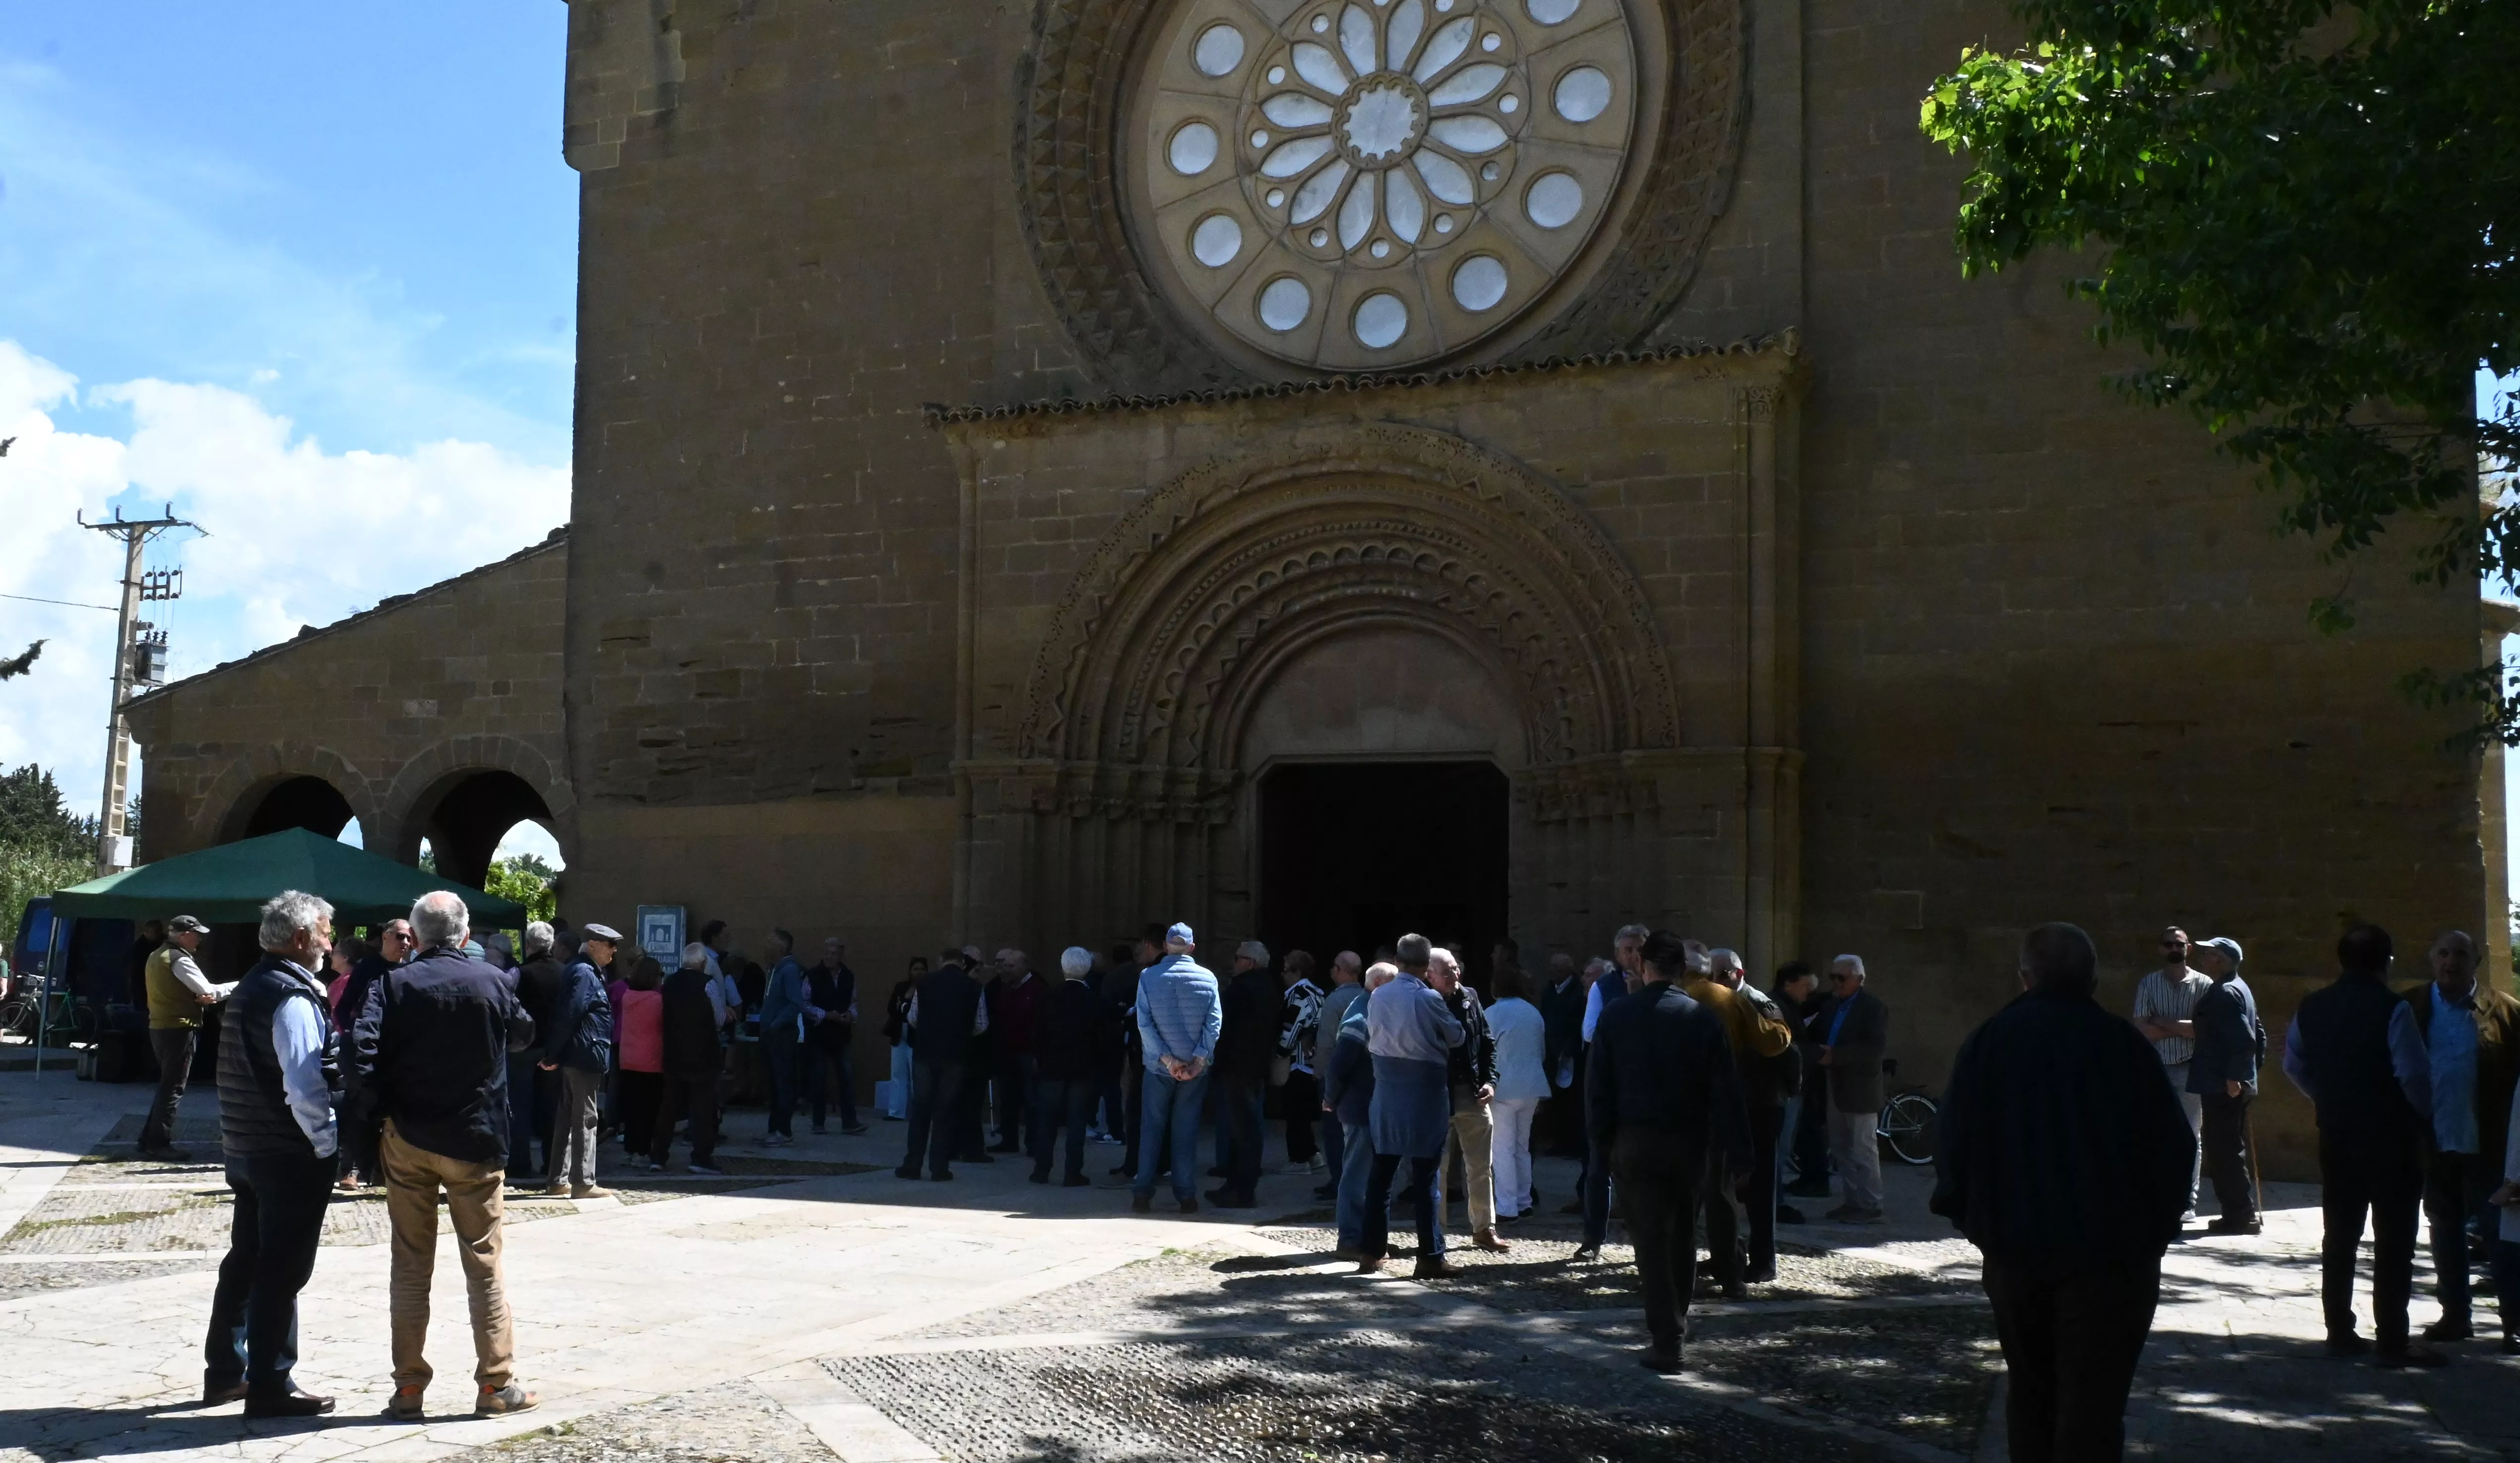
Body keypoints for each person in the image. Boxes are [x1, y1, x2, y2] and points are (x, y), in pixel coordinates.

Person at [1931, 922, 2194, 1461]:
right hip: (2111, 1256)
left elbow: (1953, 1143)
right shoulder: (2122, 1044)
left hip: (2018, 1249)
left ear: (2025, 977)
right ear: (2093, 980)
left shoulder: (1990, 1040)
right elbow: (2173, 1146)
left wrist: (1979, 1226)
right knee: (2094, 1405)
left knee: (2030, 1391)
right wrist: (2154, 1233)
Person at [347, 891, 541, 1421]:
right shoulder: (493, 981)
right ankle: (495, 1384)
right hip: (475, 1139)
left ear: (415, 935)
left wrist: (379, 1112)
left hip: (409, 1136)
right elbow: (525, 1034)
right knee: (484, 1263)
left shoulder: (392, 984)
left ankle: (409, 1388)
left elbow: (358, 1053)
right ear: (465, 933)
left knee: (410, 1265)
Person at [1588, 929, 1753, 1372]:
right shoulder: (1701, 1020)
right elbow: (1726, 1093)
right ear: (1681, 969)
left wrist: (1600, 1147)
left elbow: (1598, 1089)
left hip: (1635, 1140)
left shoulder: (1618, 1015)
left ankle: (1667, 1334)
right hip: (1687, 1142)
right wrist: (1741, 1156)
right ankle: (1673, 1329)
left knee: (1650, 1240)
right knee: (1681, 1235)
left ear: (1643, 966)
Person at [204, 890, 341, 1418]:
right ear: (302, 937)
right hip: (285, 1151)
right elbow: (304, 1083)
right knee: (281, 1269)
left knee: (247, 1259)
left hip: (245, 1145)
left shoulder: (253, 985)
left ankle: (225, 1372)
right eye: (327, 932)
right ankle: (269, 1382)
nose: (330, 944)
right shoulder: (290, 995)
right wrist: (326, 1141)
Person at [2283, 923, 2439, 1366]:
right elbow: (2412, 1074)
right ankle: (2392, 1338)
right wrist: (2422, 1115)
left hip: (2337, 1134)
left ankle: (2339, 1328)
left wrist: (2326, 1097)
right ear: (2386, 962)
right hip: (2391, 1137)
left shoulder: (2312, 1007)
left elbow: (2294, 1063)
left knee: (2341, 1234)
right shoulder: (2394, 1008)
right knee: (2393, 1239)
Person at [2401, 929, 2519, 1342]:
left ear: (2477, 962)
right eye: (2444, 953)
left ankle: (2514, 1322)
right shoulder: (2410, 1006)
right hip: (2433, 1140)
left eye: (2461, 955)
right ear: (2433, 959)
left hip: (2489, 1144)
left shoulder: (2506, 1012)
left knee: (2501, 1233)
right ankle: (2456, 1315)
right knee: (2444, 1227)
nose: (2451, 962)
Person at [1359, 934, 1465, 1278]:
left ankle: (1371, 1250)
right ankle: (1430, 1255)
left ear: (1398, 959)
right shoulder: (1429, 998)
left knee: (1381, 1174)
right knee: (1426, 1176)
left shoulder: (1377, 995)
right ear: (1425, 966)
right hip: (1424, 1091)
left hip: (1387, 1089)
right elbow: (1457, 1036)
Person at [1687, 947, 1795, 1286]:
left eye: (1724, 975)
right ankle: (1727, 1255)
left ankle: (1763, 1259)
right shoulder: (1715, 1003)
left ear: (1739, 973)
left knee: (1760, 1185)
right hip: (1735, 1104)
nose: (1717, 981)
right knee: (1722, 1187)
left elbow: (1783, 1047)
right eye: (1712, 975)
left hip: (1761, 1104)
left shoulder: (1757, 1002)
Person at [1132, 922, 1222, 1214]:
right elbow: (1214, 1023)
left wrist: (1167, 1060)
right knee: (1186, 1131)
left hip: (1159, 1067)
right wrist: (1198, 1060)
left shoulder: (1148, 976)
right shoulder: (1208, 978)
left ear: (1167, 946)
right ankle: (1186, 1195)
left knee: (1152, 1129)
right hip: (1195, 1070)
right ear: (1192, 948)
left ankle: (1143, 1193)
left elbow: (1144, 1023)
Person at [1428, 946, 1508, 1251]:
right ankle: (1436, 1232)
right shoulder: (1426, 1002)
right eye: (1447, 972)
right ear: (1430, 976)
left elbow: (1487, 1042)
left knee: (1481, 1165)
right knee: (1439, 1168)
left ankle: (1484, 1228)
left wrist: (1491, 1081)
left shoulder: (1470, 996)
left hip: (1473, 1093)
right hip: (1438, 1095)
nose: (1455, 975)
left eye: (1456, 968)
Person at [2133, 926, 2213, 1225]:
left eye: (2178, 944)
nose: (2173, 949)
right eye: (2168, 944)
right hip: (2156, 1070)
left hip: (2191, 1068)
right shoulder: (2149, 983)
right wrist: (2183, 1028)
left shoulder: (2204, 985)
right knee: (2154, 1133)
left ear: (2189, 948)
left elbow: (2203, 1031)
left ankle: (2186, 1202)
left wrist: (2162, 1023)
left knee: (2191, 1136)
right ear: (2160, 949)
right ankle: (2155, 1194)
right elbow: (2142, 1030)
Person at [2187, 936, 2266, 1236]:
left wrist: (2236, 1078)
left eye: (2208, 955)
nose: (2203, 959)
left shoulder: (2225, 993)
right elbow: (2259, 1036)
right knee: (2230, 1147)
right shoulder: (2239, 988)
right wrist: (2251, 1075)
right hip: (2230, 1081)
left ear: (2220, 960)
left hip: (2223, 1084)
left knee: (2225, 1150)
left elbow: (2245, 1039)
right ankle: (2239, 1213)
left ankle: (2239, 1216)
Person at [139, 914, 233, 1161]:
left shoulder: (157, 955)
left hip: (160, 1027)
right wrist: (243, 984)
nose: (200, 939)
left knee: (167, 1085)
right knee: (173, 1087)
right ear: (185, 936)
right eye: (197, 935)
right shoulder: (178, 959)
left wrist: (196, 998)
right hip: (179, 1028)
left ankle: (148, 1139)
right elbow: (209, 991)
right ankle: (158, 1143)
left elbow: (176, 991)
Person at [540, 923, 617, 1199]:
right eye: (610, 945)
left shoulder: (583, 969)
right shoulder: (585, 972)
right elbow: (570, 1013)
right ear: (594, 945)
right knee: (586, 1118)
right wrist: (553, 1054)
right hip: (583, 1055)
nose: (614, 951)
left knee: (567, 1117)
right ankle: (583, 1182)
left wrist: (555, 1054)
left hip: (578, 1053)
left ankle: (558, 1179)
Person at [898, 944, 987, 1181]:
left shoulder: (925, 983)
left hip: (926, 1053)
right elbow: (982, 1024)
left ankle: (912, 1164)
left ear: (941, 961)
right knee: (945, 1112)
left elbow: (913, 1018)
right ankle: (939, 1167)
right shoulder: (974, 987)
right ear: (962, 963)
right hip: (956, 1055)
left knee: (921, 1110)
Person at [1812, 954, 1889, 1224]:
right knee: (1841, 1148)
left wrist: (1837, 1056)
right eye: (1833, 977)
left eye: (1841, 978)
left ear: (1859, 979)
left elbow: (1875, 1048)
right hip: (1834, 1084)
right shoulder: (1832, 1005)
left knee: (1863, 1149)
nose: (1836, 983)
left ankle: (1871, 1204)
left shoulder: (1873, 1008)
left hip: (1860, 1089)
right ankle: (1852, 1200)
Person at [1325, 962, 1394, 1255]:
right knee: (1356, 1173)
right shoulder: (1361, 1014)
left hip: (1370, 1106)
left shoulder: (1371, 1008)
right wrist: (1331, 1097)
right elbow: (1339, 1063)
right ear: (1378, 983)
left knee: (1371, 1174)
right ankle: (1351, 1238)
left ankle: (1369, 1236)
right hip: (1360, 1107)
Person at [1031, 947, 1112, 1185]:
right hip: (1082, 1068)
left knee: (1047, 1120)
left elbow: (1037, 1033)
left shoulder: (1047, 997)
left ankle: (1041, 1170)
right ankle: (1072, 1172)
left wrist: (1040, 1057)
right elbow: (1102, 1039)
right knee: (1077, 1122)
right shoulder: (1094, 1002)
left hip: (1052, 1067)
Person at [1210, 940, 1280, 1208]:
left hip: (1237, 1068)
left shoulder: (1241, 989)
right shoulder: (1271, 989)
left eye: (1238, 958)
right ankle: (1235, 1184)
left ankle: (1242, 1190)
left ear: (1250, 962)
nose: (1234, 962)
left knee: (1243, 1131)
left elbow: (1222, 1027)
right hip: (1256, 1067)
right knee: (1247, 1130)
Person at [653, 943, 728, 1174]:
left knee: (668, 1107)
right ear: (703, 963)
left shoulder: (669, 983)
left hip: (674, 1053)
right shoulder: (708, 985)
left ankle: (658, 1156)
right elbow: (719, 1019)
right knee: (703, 1108)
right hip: (703, 1055)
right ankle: (700, 1158)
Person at [1485, 964, 1547, 1224]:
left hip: (1504, 1087)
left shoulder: (1492, 1012)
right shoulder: (1533, 1013)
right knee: (1522, 1147)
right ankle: (1524, 1202)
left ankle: (1507, 1207)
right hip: (1532, 1086)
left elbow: (1486, 1051)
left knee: (1502, 1149)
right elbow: (1541, 1051)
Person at [505, 923, 566, 1185]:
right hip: (553, 1047)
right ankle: (552, 1164)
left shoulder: (520, 974)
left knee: (519, 1106)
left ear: (528, 945)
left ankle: (519, 1163)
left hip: (523, 1047)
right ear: (551, 945)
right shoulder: (565, 973)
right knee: (552, 1107)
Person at [1773, 961, 1827, 1215]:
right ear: (1789, 984)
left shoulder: (1791, 1005)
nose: (1809, 993)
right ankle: (1775, 1202)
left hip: (1792, 1086)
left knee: (1784, 1148)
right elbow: (1786, 1047)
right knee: (1779, 1149)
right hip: (1784, 1088)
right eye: (1806, 986)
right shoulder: (1778, 1006)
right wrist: (1818, 1053)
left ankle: (1776, 1199)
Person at [1312, 951, 1366, 1199]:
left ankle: (1339, 1182)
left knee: (1334, 1133)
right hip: (1363, 1076)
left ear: (1340, 970)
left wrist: (1320, 1074)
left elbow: (1325, 1043)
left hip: (1337, 1074)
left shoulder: (1335, 1001)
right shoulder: (1367, 997)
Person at [757, 929, 818, 1147]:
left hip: (782, 1036)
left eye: (770, 942)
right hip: (772, 1035)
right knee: (774, 1083)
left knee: (783, 1083)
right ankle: (774, 1128)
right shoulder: (774, 970)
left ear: (780, 947)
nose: (765, 946)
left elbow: (796, 1004)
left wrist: (775, 1024)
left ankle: (784, 1130)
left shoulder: (789, 970)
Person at [805, 936, 867, 1136]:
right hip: (819, 1034)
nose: (830, 957)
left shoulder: (849, 976)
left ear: (841, 956)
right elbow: (804, 1004)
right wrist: (825, 1015)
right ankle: (818, 1122)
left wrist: (851, 1016)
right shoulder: (812, 976)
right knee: (819, 1079)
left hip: (842, 1034)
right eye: (828, 953)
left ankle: (850, 1122)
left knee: (847, 1078)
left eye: (835, 954)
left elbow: (854, 1002)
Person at [988, 949, 1044, 1154]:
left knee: (1032, 1100)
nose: (1007, 970)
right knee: (1008, 1099)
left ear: (1025, 966)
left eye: (1012, 966)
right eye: (1005, 966)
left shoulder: (1037, 989)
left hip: (1028, 1053)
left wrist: (1039, 1054)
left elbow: (1042, 1025)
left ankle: (1034, 1143)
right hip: (1007, 1053)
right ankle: (1009, 1140)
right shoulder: (1004, 990)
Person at [1277, 949, 1326, 1175]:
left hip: (1296, 1062)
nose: (1282, 974)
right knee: (1302, 1112)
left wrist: (1279, 1052)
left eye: (1286, 970)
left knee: (1294, 1112)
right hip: (1311, 1061)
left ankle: (1299, 1160)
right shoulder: (1318, 993)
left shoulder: (1299, 994)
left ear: (1297, 972)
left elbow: (1291, 1028)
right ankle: (1312, 1154)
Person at [613, 956, 666, 1163]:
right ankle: (643, 1152)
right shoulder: (657, 1001)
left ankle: (630, 1148)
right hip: (651, 1061)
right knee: (648, 1110)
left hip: (628, 1059)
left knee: (631, 1109)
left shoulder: (628, 997)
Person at [1538, 951, 1586, 1158]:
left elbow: (1577, 1024)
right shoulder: (1549, 991)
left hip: (1570, 1055)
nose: (1552, 972)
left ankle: (1572, 1143)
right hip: (1551, 1052)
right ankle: (1557, 1141)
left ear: (1567, 970)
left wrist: (1568, 1049)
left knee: (1572, 1100)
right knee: (1555, 1100)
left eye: (1557, 968)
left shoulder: (1578, 992)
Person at [882, 956, 925, 1121]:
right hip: (899, 1034)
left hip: (918, 1037)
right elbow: (892, 1007)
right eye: (916, 969)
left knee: (917, 1076)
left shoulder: (929, 988)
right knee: (898, 1074)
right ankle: (896, 1112)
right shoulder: (901, 987)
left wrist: (903, 1006)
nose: (919, 972)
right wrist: (902, 1006)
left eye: (922, 969)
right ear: (910, 971)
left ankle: (920, 1113)